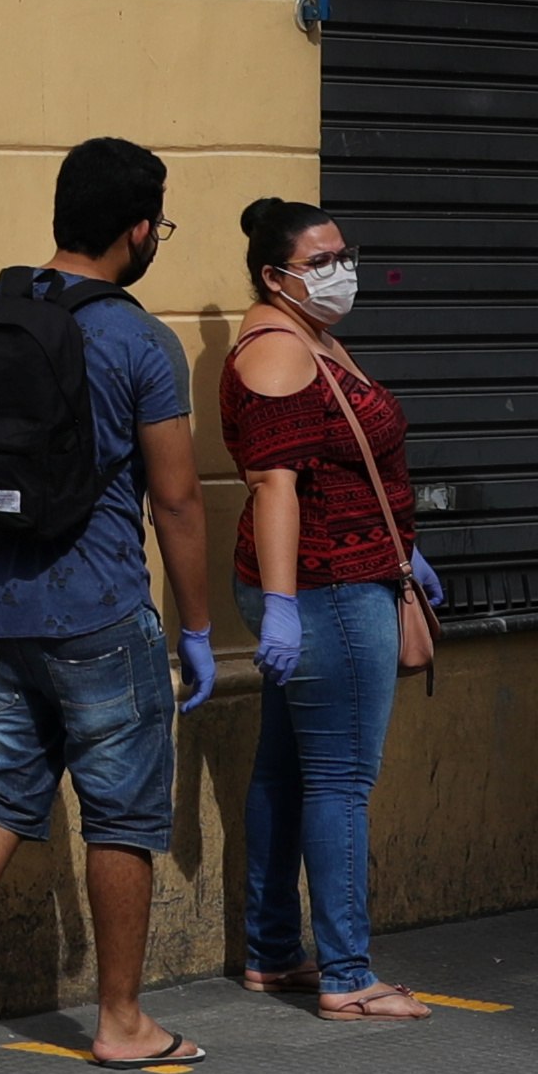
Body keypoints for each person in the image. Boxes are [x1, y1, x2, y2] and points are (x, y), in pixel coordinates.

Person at [0, 138, 211, 1072]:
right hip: (99, 612)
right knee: (122, 814)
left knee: (1, 789)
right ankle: (123, 1020)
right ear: (138, 231)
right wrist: (197, 626)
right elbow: (177, 499)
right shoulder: (141, 340)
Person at [224, 200, 438, 1017]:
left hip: (339, 575)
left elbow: (337, 459)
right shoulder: (279, 352)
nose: (338, 270)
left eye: (342, 253)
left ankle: (274, 954)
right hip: (328, 592)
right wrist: (281, 605)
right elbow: (274, 484)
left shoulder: (307, 334)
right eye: (319, 260)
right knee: (342, 780)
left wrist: (402, 545)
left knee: (285, 768)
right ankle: (347, 975)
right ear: (276, 274)